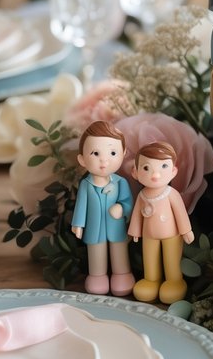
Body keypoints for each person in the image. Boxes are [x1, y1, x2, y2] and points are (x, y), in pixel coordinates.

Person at [127, 140, 194, 304]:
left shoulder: (172, 194)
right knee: (149, 259)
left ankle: (174, 280)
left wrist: (186, 231)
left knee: (172, 260)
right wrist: (135, 232)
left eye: (163, 167)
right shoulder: (142, 195)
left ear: (173, 171)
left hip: (172, 235)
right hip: (148, 235)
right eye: (146, 168)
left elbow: (181, 213)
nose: (155, 174)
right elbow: (137, 215)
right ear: (135, 172)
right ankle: (151, 280)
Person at [72, 120, 134, 296]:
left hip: (116, 227)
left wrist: (121, 208)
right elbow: (81, 205)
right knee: (96, 252)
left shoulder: (121, 182)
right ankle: (97, 276)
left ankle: (122, 274)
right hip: (94, 228)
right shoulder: (86, 184)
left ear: (123, 154)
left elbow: (129, 202)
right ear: (82, 159)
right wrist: (78, 224)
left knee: (119, 250)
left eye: (112, 152)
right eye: (95, 153)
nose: (104, 160)